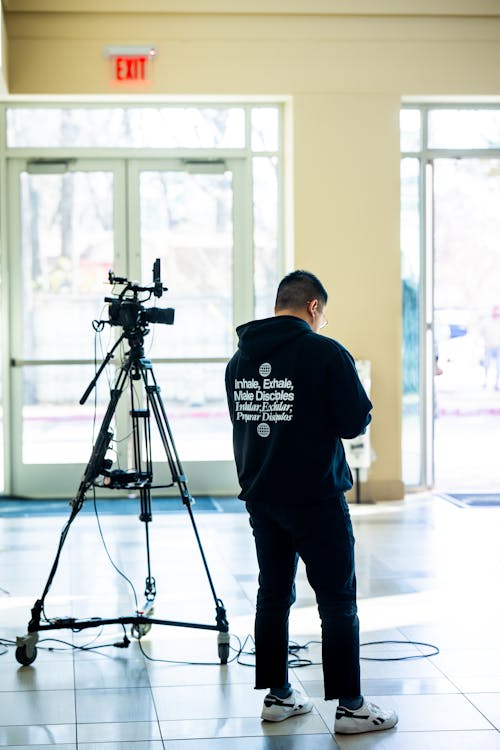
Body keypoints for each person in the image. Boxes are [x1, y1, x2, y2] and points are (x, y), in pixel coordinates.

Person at [225, 270, 398, 735]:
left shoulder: (238, 361)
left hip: (262, 498)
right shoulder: (325, 353)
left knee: (274, 594)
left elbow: (247, 424)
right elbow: (353, 423)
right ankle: (352, 708)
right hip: (316, 498)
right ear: (313, 307)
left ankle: (279, 696)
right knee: (338, 600)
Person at [481, 305, 500, 390]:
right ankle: (485, 381)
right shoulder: (486, 322)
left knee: (498, 366)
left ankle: (497, 383)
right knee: (486, 365)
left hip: (498, 347)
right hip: (488, 347)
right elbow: (482, 333)